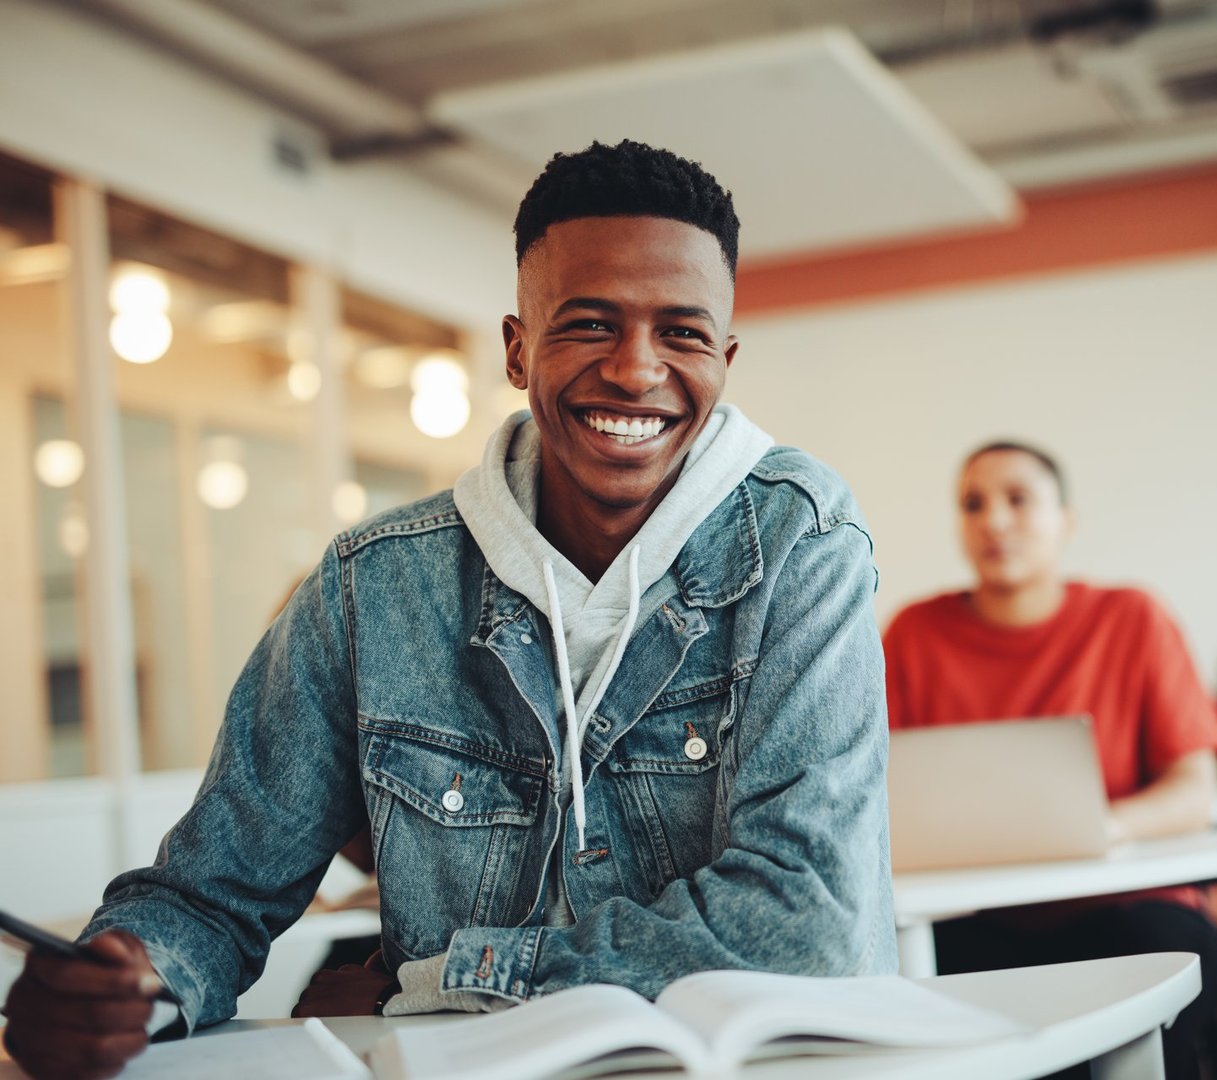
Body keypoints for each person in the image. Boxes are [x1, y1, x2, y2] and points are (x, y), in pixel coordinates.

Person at [2, 140, 895, 1079]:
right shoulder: (373, 585)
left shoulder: (802, 539)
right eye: (589, 325)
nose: (637, 372)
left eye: (682, 332)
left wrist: (435, 981)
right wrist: (126, 979)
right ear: (517, 349)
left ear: (724, 356)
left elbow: (808, 924)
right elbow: (212, 894)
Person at [883, 441, 1217, 1080]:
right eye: (973, 504)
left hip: (1126, 905)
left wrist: (1101, 828)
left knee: (1154, 971)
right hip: (970, 916)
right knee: (915, 999)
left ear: (1067, 522)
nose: (994, 520)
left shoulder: (1133, 618)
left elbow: (1196, 788)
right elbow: (873, 790)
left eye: (1018, 498)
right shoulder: (913, 635)